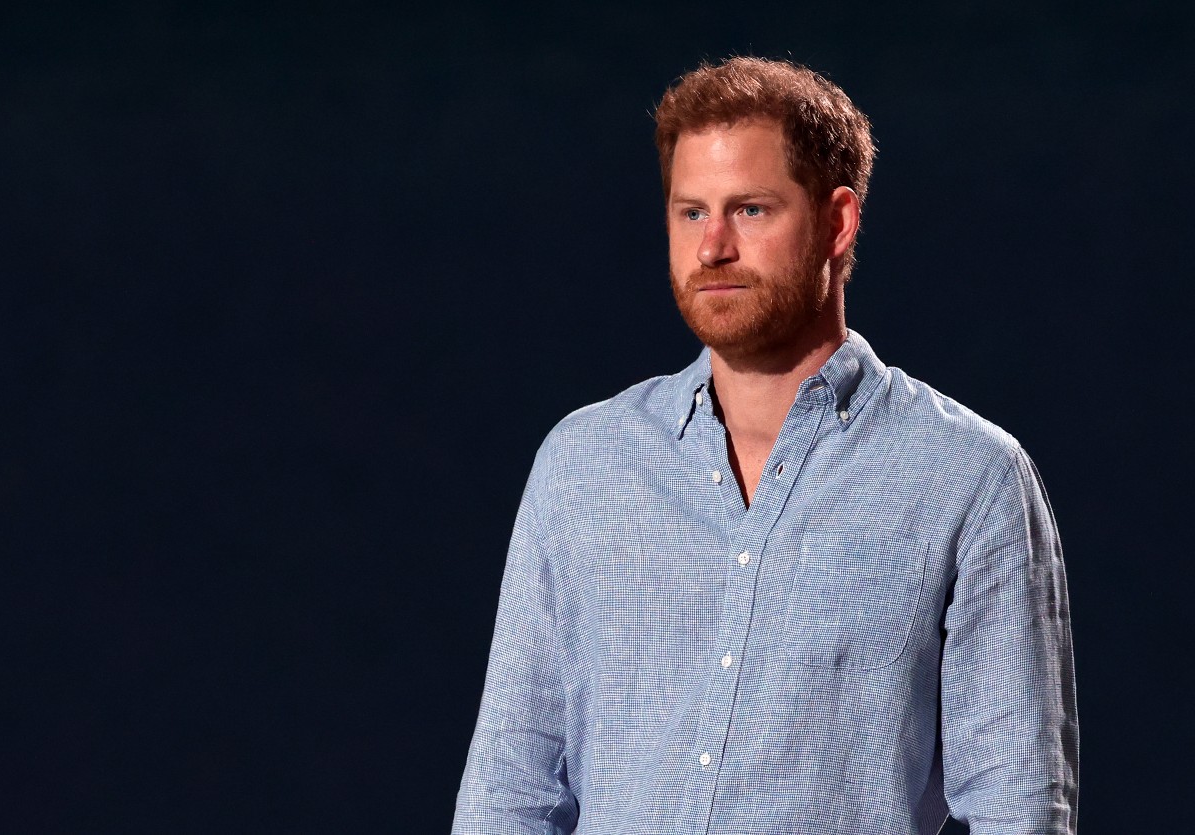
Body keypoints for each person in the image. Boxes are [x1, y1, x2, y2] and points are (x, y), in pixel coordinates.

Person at [452, 56, 1078, 835]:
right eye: (690, 212)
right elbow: (511, 782)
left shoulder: (968, 479)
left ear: (837, 221)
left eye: (749, 210)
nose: (712, 246)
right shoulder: (584, 463)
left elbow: (1018, 805)